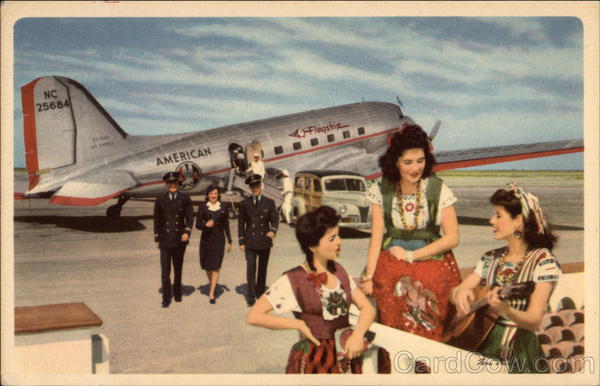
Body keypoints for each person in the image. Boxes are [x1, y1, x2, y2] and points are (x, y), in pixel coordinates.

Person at [361, 124, 462, 372]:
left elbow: (452, 238)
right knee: (387, 313)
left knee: (426, 309)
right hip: (391, 261)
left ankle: (427, 369)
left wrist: (410, 255)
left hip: (432, 259)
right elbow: (376, 238)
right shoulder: (381, 189)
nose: (415, 168)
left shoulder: (437, 189)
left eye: (420, 160)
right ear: (395, 162)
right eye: (408, 162)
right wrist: (369, 276)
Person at [246, 206, 376, 374]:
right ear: (313, 246)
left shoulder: (339, 271)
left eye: (339, 235)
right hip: (313, 362)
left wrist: (358, 335)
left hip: (346, 357)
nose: (339, 242)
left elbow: (367, 308)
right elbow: (254, 316)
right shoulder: (294, 279)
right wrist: (297, 324)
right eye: (332, 238)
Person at [450, 183, 560, 373]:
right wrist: (460, 292)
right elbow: (457, 291)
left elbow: (534, 320)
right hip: (481, 342)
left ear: (518, 221)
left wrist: (506, 310)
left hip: (519, 350)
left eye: (498, 215)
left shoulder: (543, 261)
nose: (491, 221)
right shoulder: (491, 258)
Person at [154, 171, 194, 308]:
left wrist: (187, 232)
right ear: (166, 184)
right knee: (165, 270)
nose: (172, 185)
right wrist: (157, 237)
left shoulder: (185, 198)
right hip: (165, 239)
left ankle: (177, 293)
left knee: (178, 268)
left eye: (174, 182)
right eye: (170, 183)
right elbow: (157, 220)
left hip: (179, 239)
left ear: (178, 183)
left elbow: (189, 217)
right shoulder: (160, 199)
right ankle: (166, 298)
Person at [238, 174, 279, 306]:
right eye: (252, 186)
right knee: (251, 268)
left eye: (257, 185)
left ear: (261, 186)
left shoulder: (269, 202)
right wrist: (241, 241)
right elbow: (240, 224)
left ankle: (260, 292)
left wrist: (272, 230)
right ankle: (250, 297)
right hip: (250, 241)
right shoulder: (244, 203)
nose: (255, 188)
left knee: (262, 268)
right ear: (249, 188)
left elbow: (275, 219)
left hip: (264, 240)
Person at [196, 184, 232, 304]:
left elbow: (226, 225)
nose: (213, 196)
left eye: (215, 193)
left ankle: (211, 293)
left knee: (216, 266)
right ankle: (213, 284)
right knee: (207, 266)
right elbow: (197, 225)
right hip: (206, 239)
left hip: (218, 240)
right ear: (207, 195)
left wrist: (230, 241)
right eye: (211, 193)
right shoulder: (202, 207)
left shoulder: (223, 207)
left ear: (218, 195)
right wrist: (205, 225)